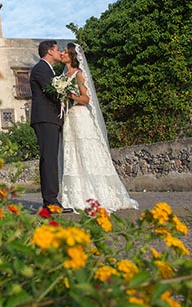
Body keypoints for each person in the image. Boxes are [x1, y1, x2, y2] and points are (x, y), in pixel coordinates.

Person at [58, 44, 138, 212]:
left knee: (87, 151)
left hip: (81, 117)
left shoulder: (79, 74)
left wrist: (68, 94)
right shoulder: (63, 76)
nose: (62, 53)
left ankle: (99, 194)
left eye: (65, 51)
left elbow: (86, 99)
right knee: (72, 153)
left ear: (72, 56)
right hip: (69, 118)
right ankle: (75, 197)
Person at [29, 40, 63, 209]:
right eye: (57, 49)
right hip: (45, 118)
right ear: (50, 51)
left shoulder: (47, 69)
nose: (59, 52)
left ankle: (50, 199)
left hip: (50, 118)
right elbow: (53, 93)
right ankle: (50, 200)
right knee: (49, 159)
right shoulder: (40, 69)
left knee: (50, 158)